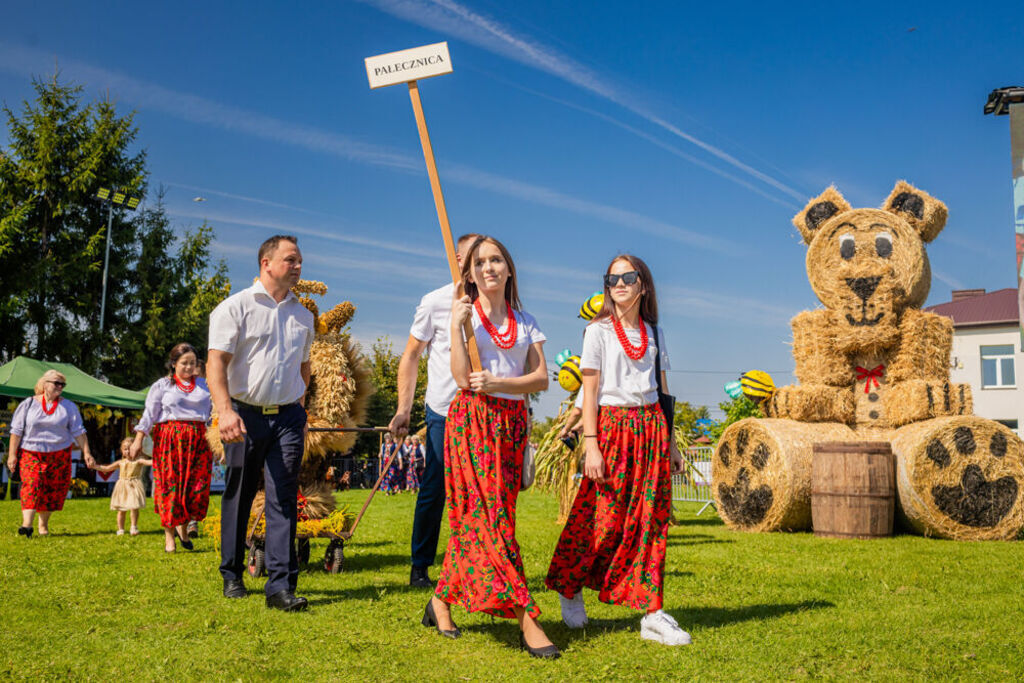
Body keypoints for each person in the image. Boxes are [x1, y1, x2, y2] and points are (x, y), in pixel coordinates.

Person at [423, 235, 559, 659]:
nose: (489, 268)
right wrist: (453, 325)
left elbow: (540, 379)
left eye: (496, 259)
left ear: (509, 268)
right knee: (489, 520)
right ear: (470, 273)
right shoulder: (466, 317)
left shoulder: (527, 320)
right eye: (480, 262)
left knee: (488, 519)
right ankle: (526, 618)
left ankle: (441, 600)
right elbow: (463, 378)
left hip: (511, 424)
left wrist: (501, 383)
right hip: (472, 423)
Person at [545, 254, 690, 646]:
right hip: (612, 427)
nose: (620, 284)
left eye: (628, 277)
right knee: (602, 518)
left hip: (652, 429)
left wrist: (672, 445)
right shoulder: (598, 332)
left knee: (651, 521)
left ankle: (651, 611)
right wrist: (590, 446)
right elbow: (589, 392)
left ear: (643, 284)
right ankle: (570, 585)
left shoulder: (655, 333)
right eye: (612, 278)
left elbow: (662, 394)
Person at [208, 234, 314, 612]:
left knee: (283, 496)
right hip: (244, 415)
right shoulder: (234, 308)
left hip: (287, 418)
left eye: (300, 260)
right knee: (237, 493)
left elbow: (304, 366)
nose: (298, 266)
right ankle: (232, 573)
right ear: (266, 263)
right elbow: (216, 362)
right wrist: (225, 410)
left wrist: (300, 411)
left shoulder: (303, 315)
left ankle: (280, 587)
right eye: (290, 259)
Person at [389, 233, 478, 589]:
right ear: (456, 258)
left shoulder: (494, 302)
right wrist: (403, 409)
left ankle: (477, 564)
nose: (480, 264)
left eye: (487, 257)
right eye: (472, 257)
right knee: (436, 486)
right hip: (444, 408)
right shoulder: (435, 301)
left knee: (479, 490)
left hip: (485, 410)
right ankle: (421, 565)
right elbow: (411, 355)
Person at [130, 343, 213, 552]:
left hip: (199, 440)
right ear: (174, 363)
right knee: (171, 488)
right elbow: (149, 414)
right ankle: (170, 536)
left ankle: (183, 529)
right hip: (170, 439)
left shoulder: (205, 385)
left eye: (192, 363)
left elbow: (214, 414)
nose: (188, 367)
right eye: (184, 363)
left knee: (196, 489)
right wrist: (138, 439)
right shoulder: (163, 385)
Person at [6, 370, 96, 537]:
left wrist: (87, 452)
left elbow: (79, 431)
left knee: (52, 489)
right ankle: (27, 525)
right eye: (57, 383)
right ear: (45, 384)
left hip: (59, 454)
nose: (60, 387)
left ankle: (43, 526)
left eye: (62, 385)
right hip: (31, 453)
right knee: (32, 484)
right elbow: (16, 431)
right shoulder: (28, 404)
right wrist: (12, 455)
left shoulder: (68, 406)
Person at [91, 437, 151, 535]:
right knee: (121, 509)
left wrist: (160, 459)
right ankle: (121, 529)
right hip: (122, 486)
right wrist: (94, 466)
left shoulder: (139, 460)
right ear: (122, 451)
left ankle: (133, 527)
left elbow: (149, 462)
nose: (127, 451)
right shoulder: (121, 462)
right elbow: (106, 468)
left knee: (134, 507)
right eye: (125, 449)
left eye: (130, 449)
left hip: (134, 485)